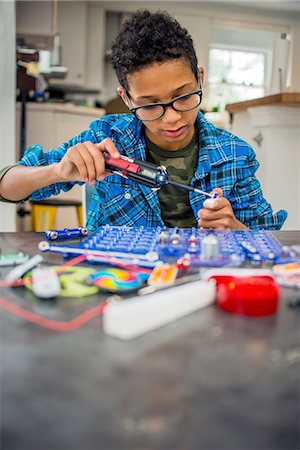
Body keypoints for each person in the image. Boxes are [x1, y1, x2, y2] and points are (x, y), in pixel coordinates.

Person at [0, 10, 287, 232]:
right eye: (150, 105)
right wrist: (57, 172)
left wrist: (234, 228)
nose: (173, 118)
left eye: (184, 96)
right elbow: (5, 186)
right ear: (126, 98)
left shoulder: (235, 155)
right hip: (118, 282)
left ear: (200, 78)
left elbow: (266, 242)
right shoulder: (106, 136)